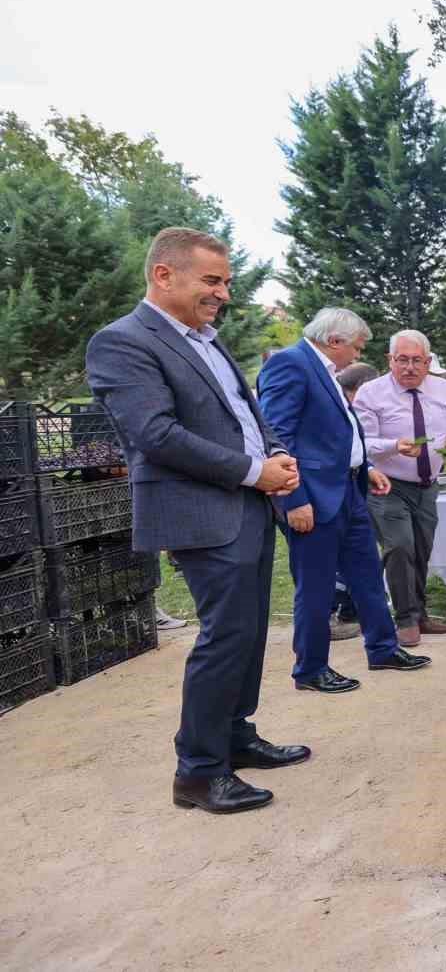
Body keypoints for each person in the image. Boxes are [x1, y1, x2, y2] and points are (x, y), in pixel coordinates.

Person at [87, 227, 307, 814]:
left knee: (249, 631)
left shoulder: (207, 340)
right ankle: (199, 772)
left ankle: (234, 736)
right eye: (212, 281)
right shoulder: (122, 342)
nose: (223, 294)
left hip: (247, 506)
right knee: (225, 635)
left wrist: (276, 454)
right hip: (201, 512)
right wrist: (253, 472)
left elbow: (245, 414)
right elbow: (155, 435)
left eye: (226, 282)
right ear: (164, 275)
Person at [257, 308, 432, 694]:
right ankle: (311, 668)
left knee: (367, 575)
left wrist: (364, 467)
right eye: (356, 346)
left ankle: (383, 648)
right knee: (316, 586)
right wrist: (293, 498)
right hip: (313, 497)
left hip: (349, 490)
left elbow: (335, 433)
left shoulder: (326, 370)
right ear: (334, 340)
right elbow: (276, 437)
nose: (357, 355)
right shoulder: (291, 364)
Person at [353, 330, 446, 647]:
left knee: (421, 548)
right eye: (402, 360)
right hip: (386, 485)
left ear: (428, 362)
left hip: (427, 485)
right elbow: (361, 443)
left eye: (417, 360)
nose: (409, 367)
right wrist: (394, 446)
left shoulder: (444, 389)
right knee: (399, 546)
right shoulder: (370, 393)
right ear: (389, 360)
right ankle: (405, 620)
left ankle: (420, 615)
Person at [329, 362, 381, 642]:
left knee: (356, 557)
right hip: (330, 491)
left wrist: (368, 468)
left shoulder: (348, 407)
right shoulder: (338, 407)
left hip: (352, 485)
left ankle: (351, 613)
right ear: (362, 388)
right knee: (331, 558)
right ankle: (331, 616)